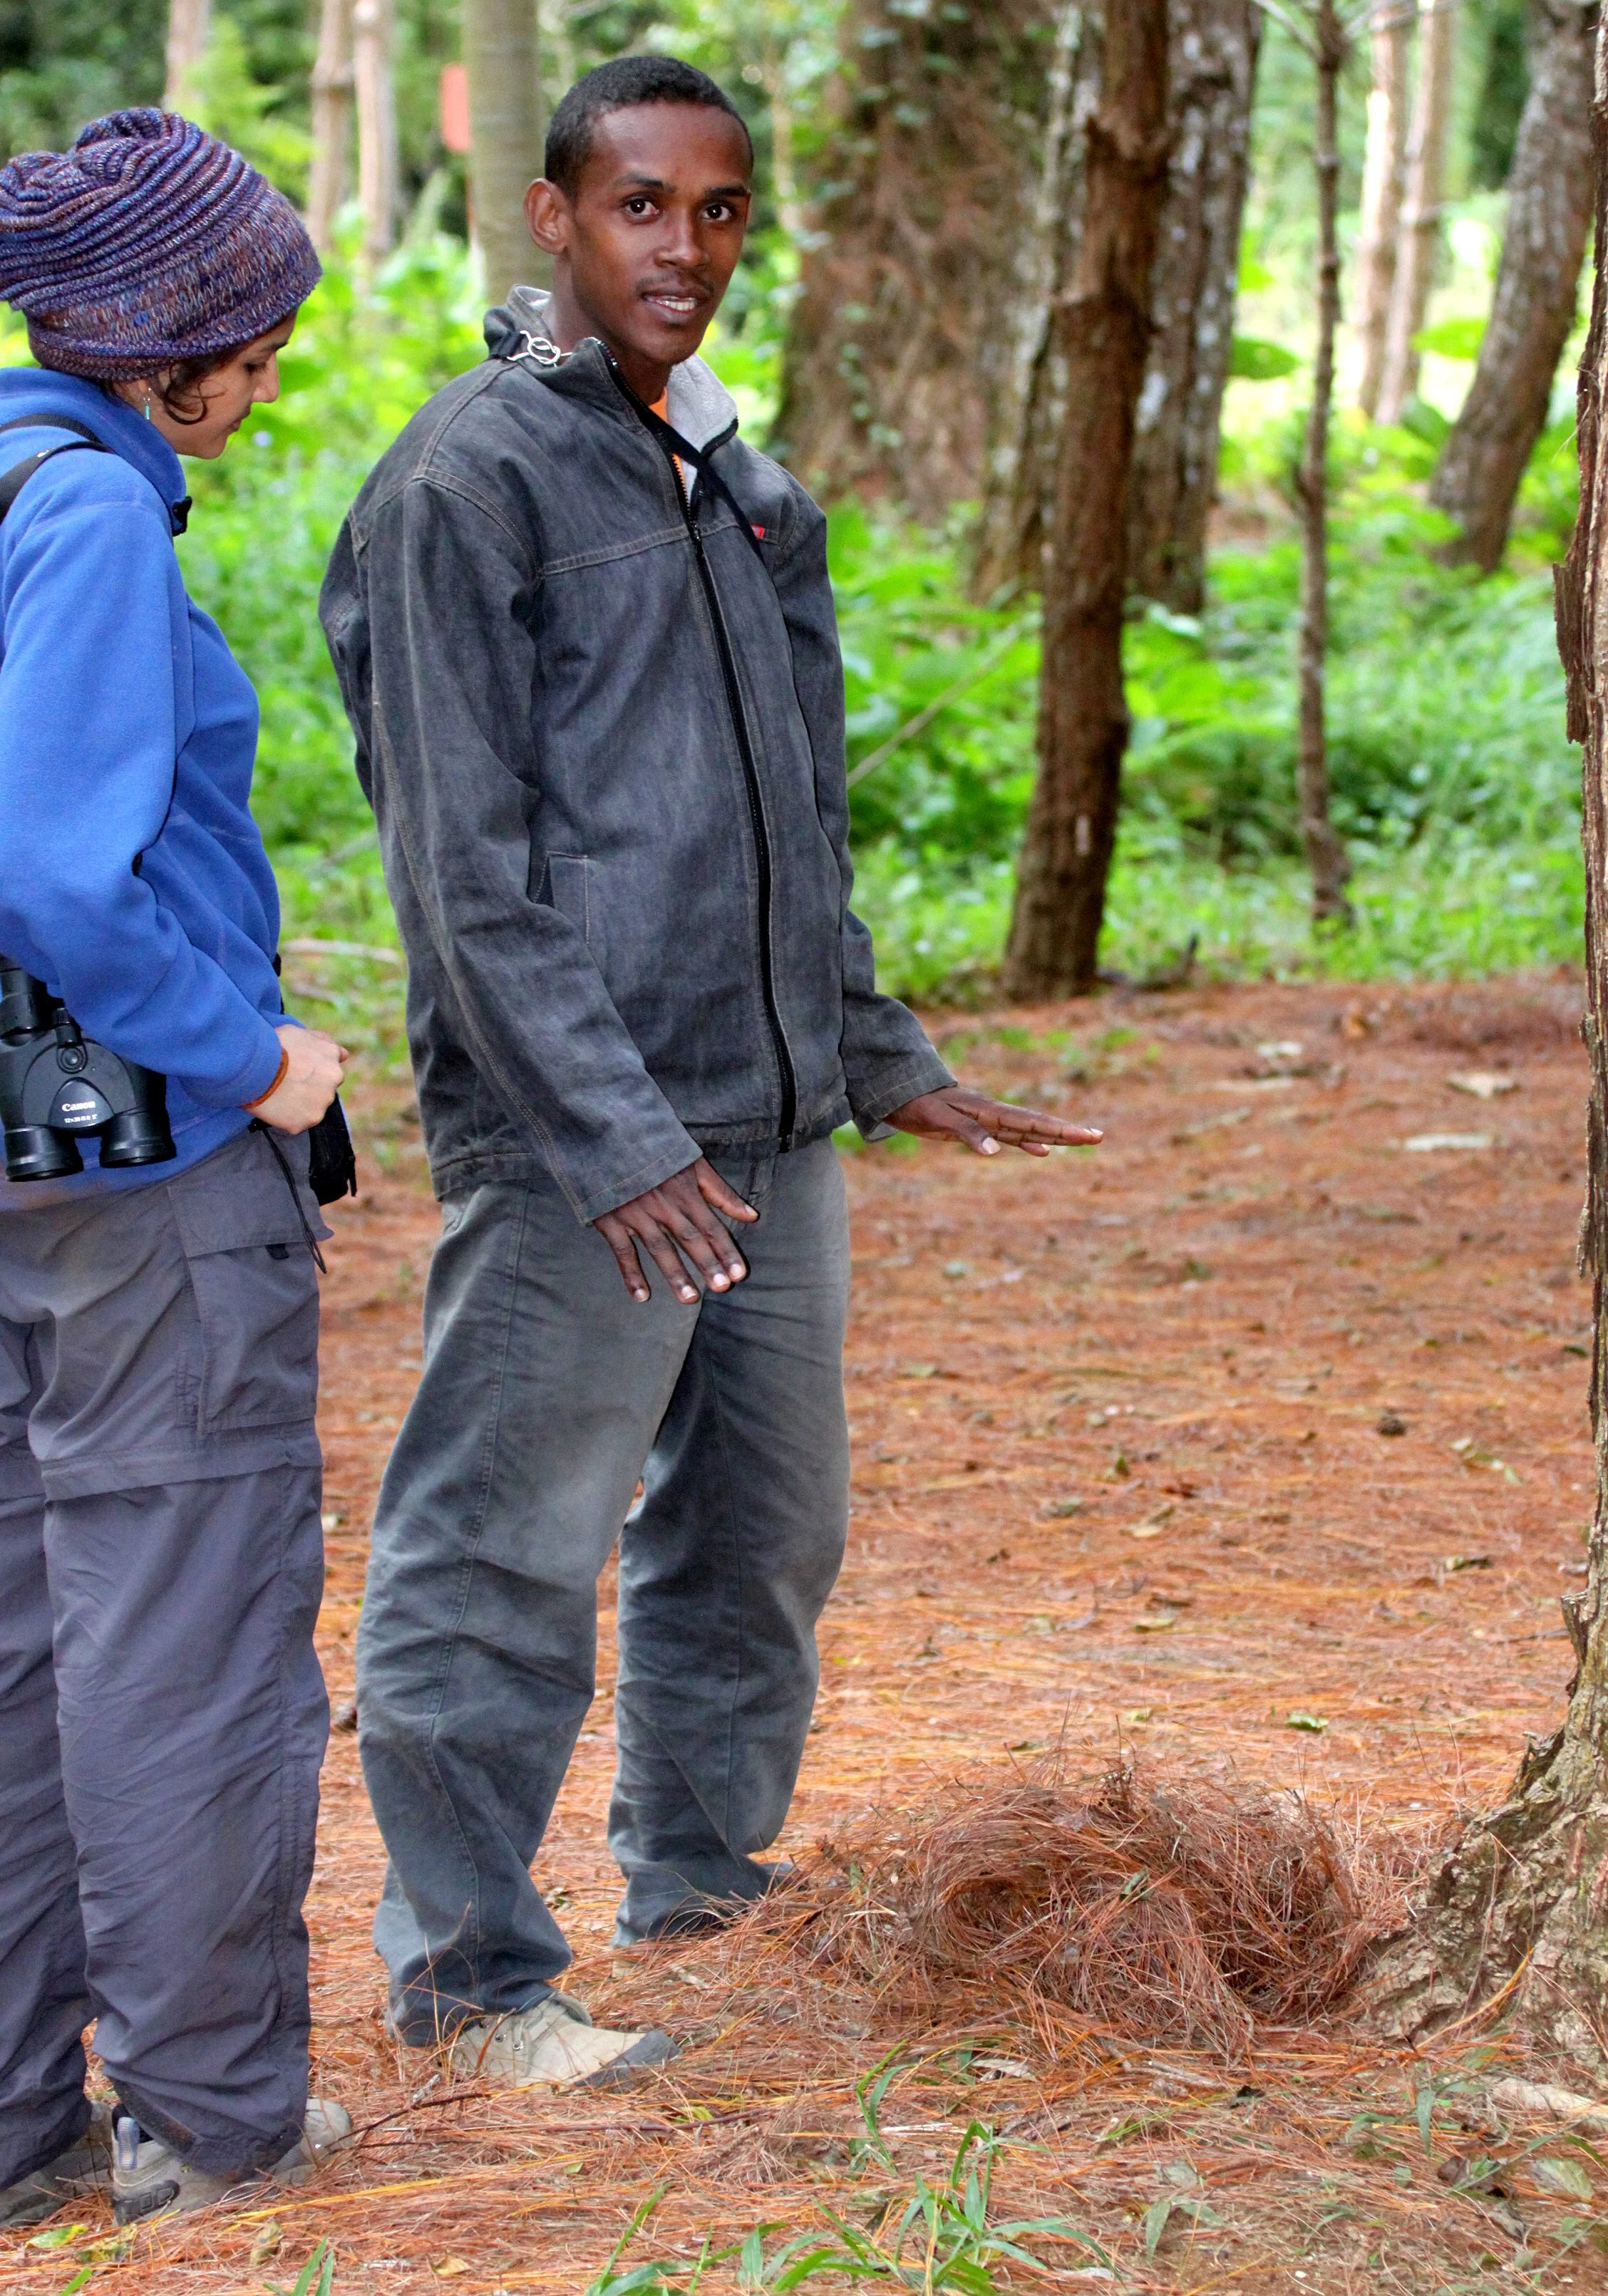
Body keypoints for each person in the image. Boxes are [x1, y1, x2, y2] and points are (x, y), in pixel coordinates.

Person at [319, 54, 1099, 2090]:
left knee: (760, 1528)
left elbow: (794, 829)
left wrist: (875, 1054)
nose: (687, 247)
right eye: (642, 206)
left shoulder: (747, 485)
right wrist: (611, 1138)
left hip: (767, 1126)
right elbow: (460, 873)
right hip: (589, 1147)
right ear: (558, 221)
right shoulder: (462, 485)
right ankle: (469, 1977)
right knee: (502, 1544)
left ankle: (701, 1889)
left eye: (723, 207)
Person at [0, 111, 354, 2226]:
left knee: (31, 1633)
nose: (278, 368)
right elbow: (54, 868)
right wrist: (259, 1061)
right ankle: (214, 2129)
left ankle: (23, 2131)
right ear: (172, 349)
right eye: (260, 333)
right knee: (186, 1630)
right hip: (141, 1174)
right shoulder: (96, 529)